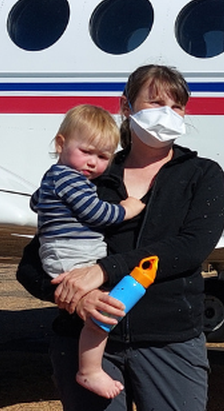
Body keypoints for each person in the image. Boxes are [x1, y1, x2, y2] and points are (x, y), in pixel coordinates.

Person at [18, 64, 224, 411]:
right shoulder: (90, 174)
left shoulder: (201, 175)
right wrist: (75, 299)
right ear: (126, 107)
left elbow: (191, 248)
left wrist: (103, 270)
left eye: (176, 106)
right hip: (85, 340)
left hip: (169, 341)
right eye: (155, 103)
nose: (167, 114)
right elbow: (30, 263)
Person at [33, 104, 146, 399]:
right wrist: (125, 209)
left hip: (66, 253)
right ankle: (89, 370)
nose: (93, 163)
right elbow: (96, 213)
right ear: (61, 144)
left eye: (103, 157)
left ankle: (90, 368)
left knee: (101, 309)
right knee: (103, 312)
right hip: (71, 256)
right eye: (87, 152)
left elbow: (35, 202)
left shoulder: (54, 177)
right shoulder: (70, 178)